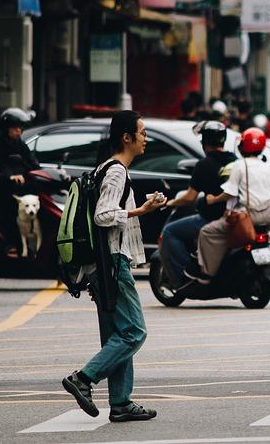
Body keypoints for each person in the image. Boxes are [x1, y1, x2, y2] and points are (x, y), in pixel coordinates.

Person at [61, 111, 167, 423]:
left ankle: (120, 403)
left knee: (116, 335)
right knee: (134, 331)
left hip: (101, 264)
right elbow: (103, 215)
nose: (145, 138)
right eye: (142, 132)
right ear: (126, 137)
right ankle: (83, 378)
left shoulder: (105, 168)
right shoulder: (116, 171)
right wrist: (140, 210)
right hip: (112, 262)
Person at [195, 128, 270, 278]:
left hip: (248, 218)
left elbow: (230, 193)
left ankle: (207, 273)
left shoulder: (239, 165)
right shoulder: (268, 166)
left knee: (206, 232)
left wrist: (212, 199)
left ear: (243, 146)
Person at [159, 120, 234, 284]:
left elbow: (189, 197)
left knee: (170, 232)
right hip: (233, 216)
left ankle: (184, 278)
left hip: (210, 218)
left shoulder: (204, 165)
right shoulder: (234, 160)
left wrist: (169, 203)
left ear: (205, 142)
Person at [0, 108, 39, 253]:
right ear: (5, 130)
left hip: (24, 192)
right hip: (3, 194)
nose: (18, 131)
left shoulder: (21, 146)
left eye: (20, 128)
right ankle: (11, 245)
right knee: (10, 212)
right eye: (14, 128)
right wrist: (9, 178)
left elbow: (34, 166)